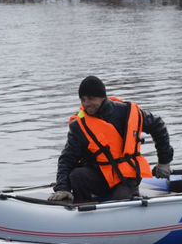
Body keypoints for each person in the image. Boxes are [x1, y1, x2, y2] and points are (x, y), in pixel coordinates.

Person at [48, 76, 173, 204]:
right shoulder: (79, 126)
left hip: (126, 178)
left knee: (121, 198)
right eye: (83, 100)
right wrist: (63, 188)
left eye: (91, 99)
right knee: (77, 175)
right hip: (101, 178)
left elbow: (158, 126)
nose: (86, 104)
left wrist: (164, 162)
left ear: (103, 97)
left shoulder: (126, 113)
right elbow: (67, 158)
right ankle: (82, 210)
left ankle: (126, 207)